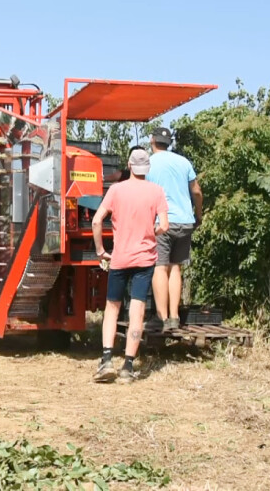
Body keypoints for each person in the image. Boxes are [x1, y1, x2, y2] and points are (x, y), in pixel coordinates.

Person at [92, 147, 168, 383]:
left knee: (112, 307)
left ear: (129, 164)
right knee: (137, 310)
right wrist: (150, 233)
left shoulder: (116, 190)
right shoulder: (157, 192)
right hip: (145, 260)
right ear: (147, 168)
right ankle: (127, 366)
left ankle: (106, 360)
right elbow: (164, 226)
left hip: (120, 258)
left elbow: (96, 220)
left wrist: (101, 250)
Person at [146, 127, 203, 331]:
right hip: (185, 222)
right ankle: (174, 317)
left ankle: (160, 318)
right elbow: (196, 191)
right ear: (169, 142)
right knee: (176, 266)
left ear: (152, 140)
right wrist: (198, 215)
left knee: (160, 266)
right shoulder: (183, 162)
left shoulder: (149, 163)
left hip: (162, 223)